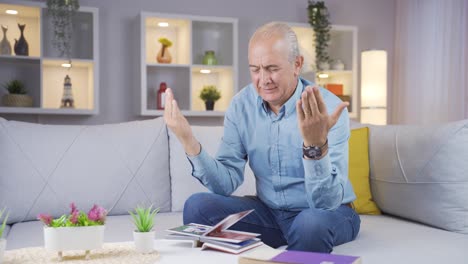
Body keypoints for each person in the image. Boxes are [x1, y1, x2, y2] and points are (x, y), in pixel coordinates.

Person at [164, 22, 360, 253]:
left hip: (329, 213)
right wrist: (188, 141)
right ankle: (284, 242)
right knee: (197, 207)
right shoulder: (241, 105)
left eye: (272, 68)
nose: (263, 79)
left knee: (309, 225)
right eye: (255, 69)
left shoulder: (328, 108)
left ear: (297, 64)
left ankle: (294, 243)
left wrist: (315, 146)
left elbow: (326, 203)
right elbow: (225, 183)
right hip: (269, 213)